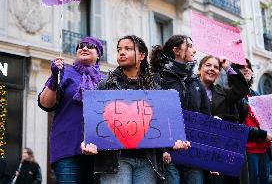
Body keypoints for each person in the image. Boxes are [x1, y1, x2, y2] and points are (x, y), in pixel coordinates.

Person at [81, 35, 190, 184]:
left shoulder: (156, 89)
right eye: (119, 49)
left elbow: (163, 126)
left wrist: (174, 143)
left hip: (148, 161)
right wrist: (87, 142)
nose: (122, 52)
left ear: (142, 56)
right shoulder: (105, 86)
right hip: (115, 160)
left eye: (128, 49)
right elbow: (91, 122)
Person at [38, 36, 104, 184]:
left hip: (98, 150)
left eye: (89, 46)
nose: (84, 48)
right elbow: (45, 104)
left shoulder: (106, 80)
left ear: (98, 54)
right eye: (80, 45)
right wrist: (54, 76)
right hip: (66, 148)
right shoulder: (64, 72)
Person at [150, 35, 211, 184]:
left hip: (193, 151)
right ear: (176, 50)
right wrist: (162, 149)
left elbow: (206, 116)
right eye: (189, 46)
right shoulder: (159, 78)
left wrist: (211, 157)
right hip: (169, 153)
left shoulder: (196, 82)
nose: (194, 50)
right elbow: (154, 116)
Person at [232, 59, 272, 184]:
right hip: (247, 149)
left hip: (264, 147)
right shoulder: (232, 93)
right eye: (241, 67)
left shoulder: (255, 94)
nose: (246, 69)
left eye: (248, 66)